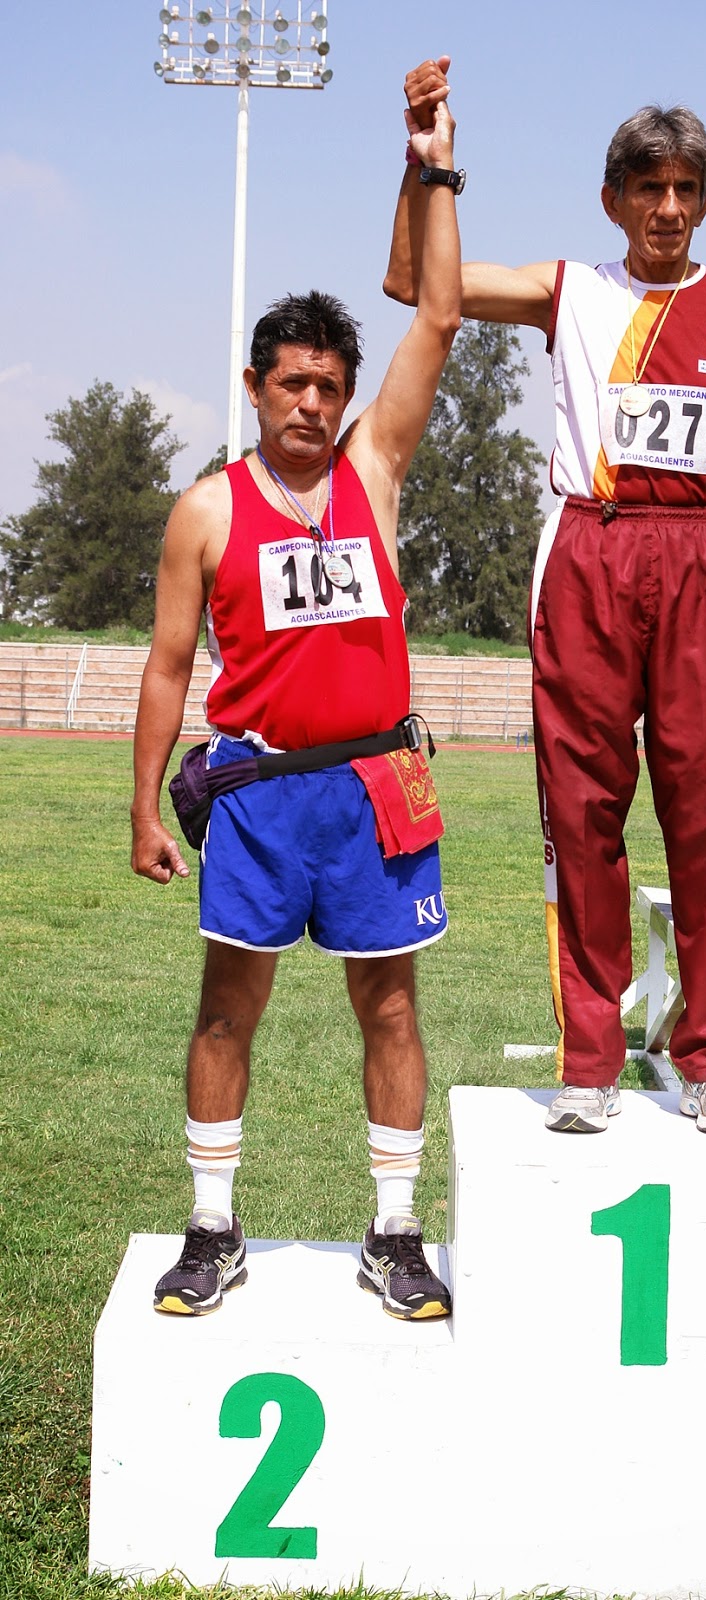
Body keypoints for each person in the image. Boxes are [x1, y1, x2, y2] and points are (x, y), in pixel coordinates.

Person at [387, 59, 706, 1138]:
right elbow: (420, 286)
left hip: (700, 559)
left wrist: (679, 516)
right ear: (612, 199)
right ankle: (591, 1062)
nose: (668, 208)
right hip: (588, 553)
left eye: (686, 189)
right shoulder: (566, 290)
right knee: (582, 810)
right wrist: (429, 166)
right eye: (648, 188)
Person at [130, 94, 463, 1319]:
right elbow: (169, 666)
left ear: (347, 393)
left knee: (392, 1004)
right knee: (229, 1008)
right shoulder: (210, 509)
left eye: (329, 384)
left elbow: (438, 313)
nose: (312, 403)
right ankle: (212, 1228)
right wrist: (142, 807)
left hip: (378, 782)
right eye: (292, 383)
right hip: (260, 791)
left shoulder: (376, 469)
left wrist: (431, 172)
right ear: (256, 386)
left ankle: (395, 1232)